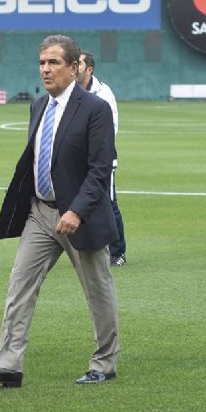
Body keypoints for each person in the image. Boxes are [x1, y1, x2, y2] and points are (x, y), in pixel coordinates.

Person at [0, 34, 119, 387]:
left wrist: (77, 211)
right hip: (40, 213)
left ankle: (104, 363)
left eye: (54, 63)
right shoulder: (38, 105)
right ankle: (8, 365)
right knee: (19, 285)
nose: (46, 69)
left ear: (74, 66)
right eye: (42, 63)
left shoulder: (95, 109)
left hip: (77, 217)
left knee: (98, 291)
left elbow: (100, 168)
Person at [77, 50, 126, 267]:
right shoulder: (69, 91)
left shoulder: (103, 94)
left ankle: (118, 252)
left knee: (108, 204)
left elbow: (108, 131)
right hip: (76, 158)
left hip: (101, 160)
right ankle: (83, 247)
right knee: (75, 202)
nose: (73, 66)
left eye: (77, 63)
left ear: (89, 69)